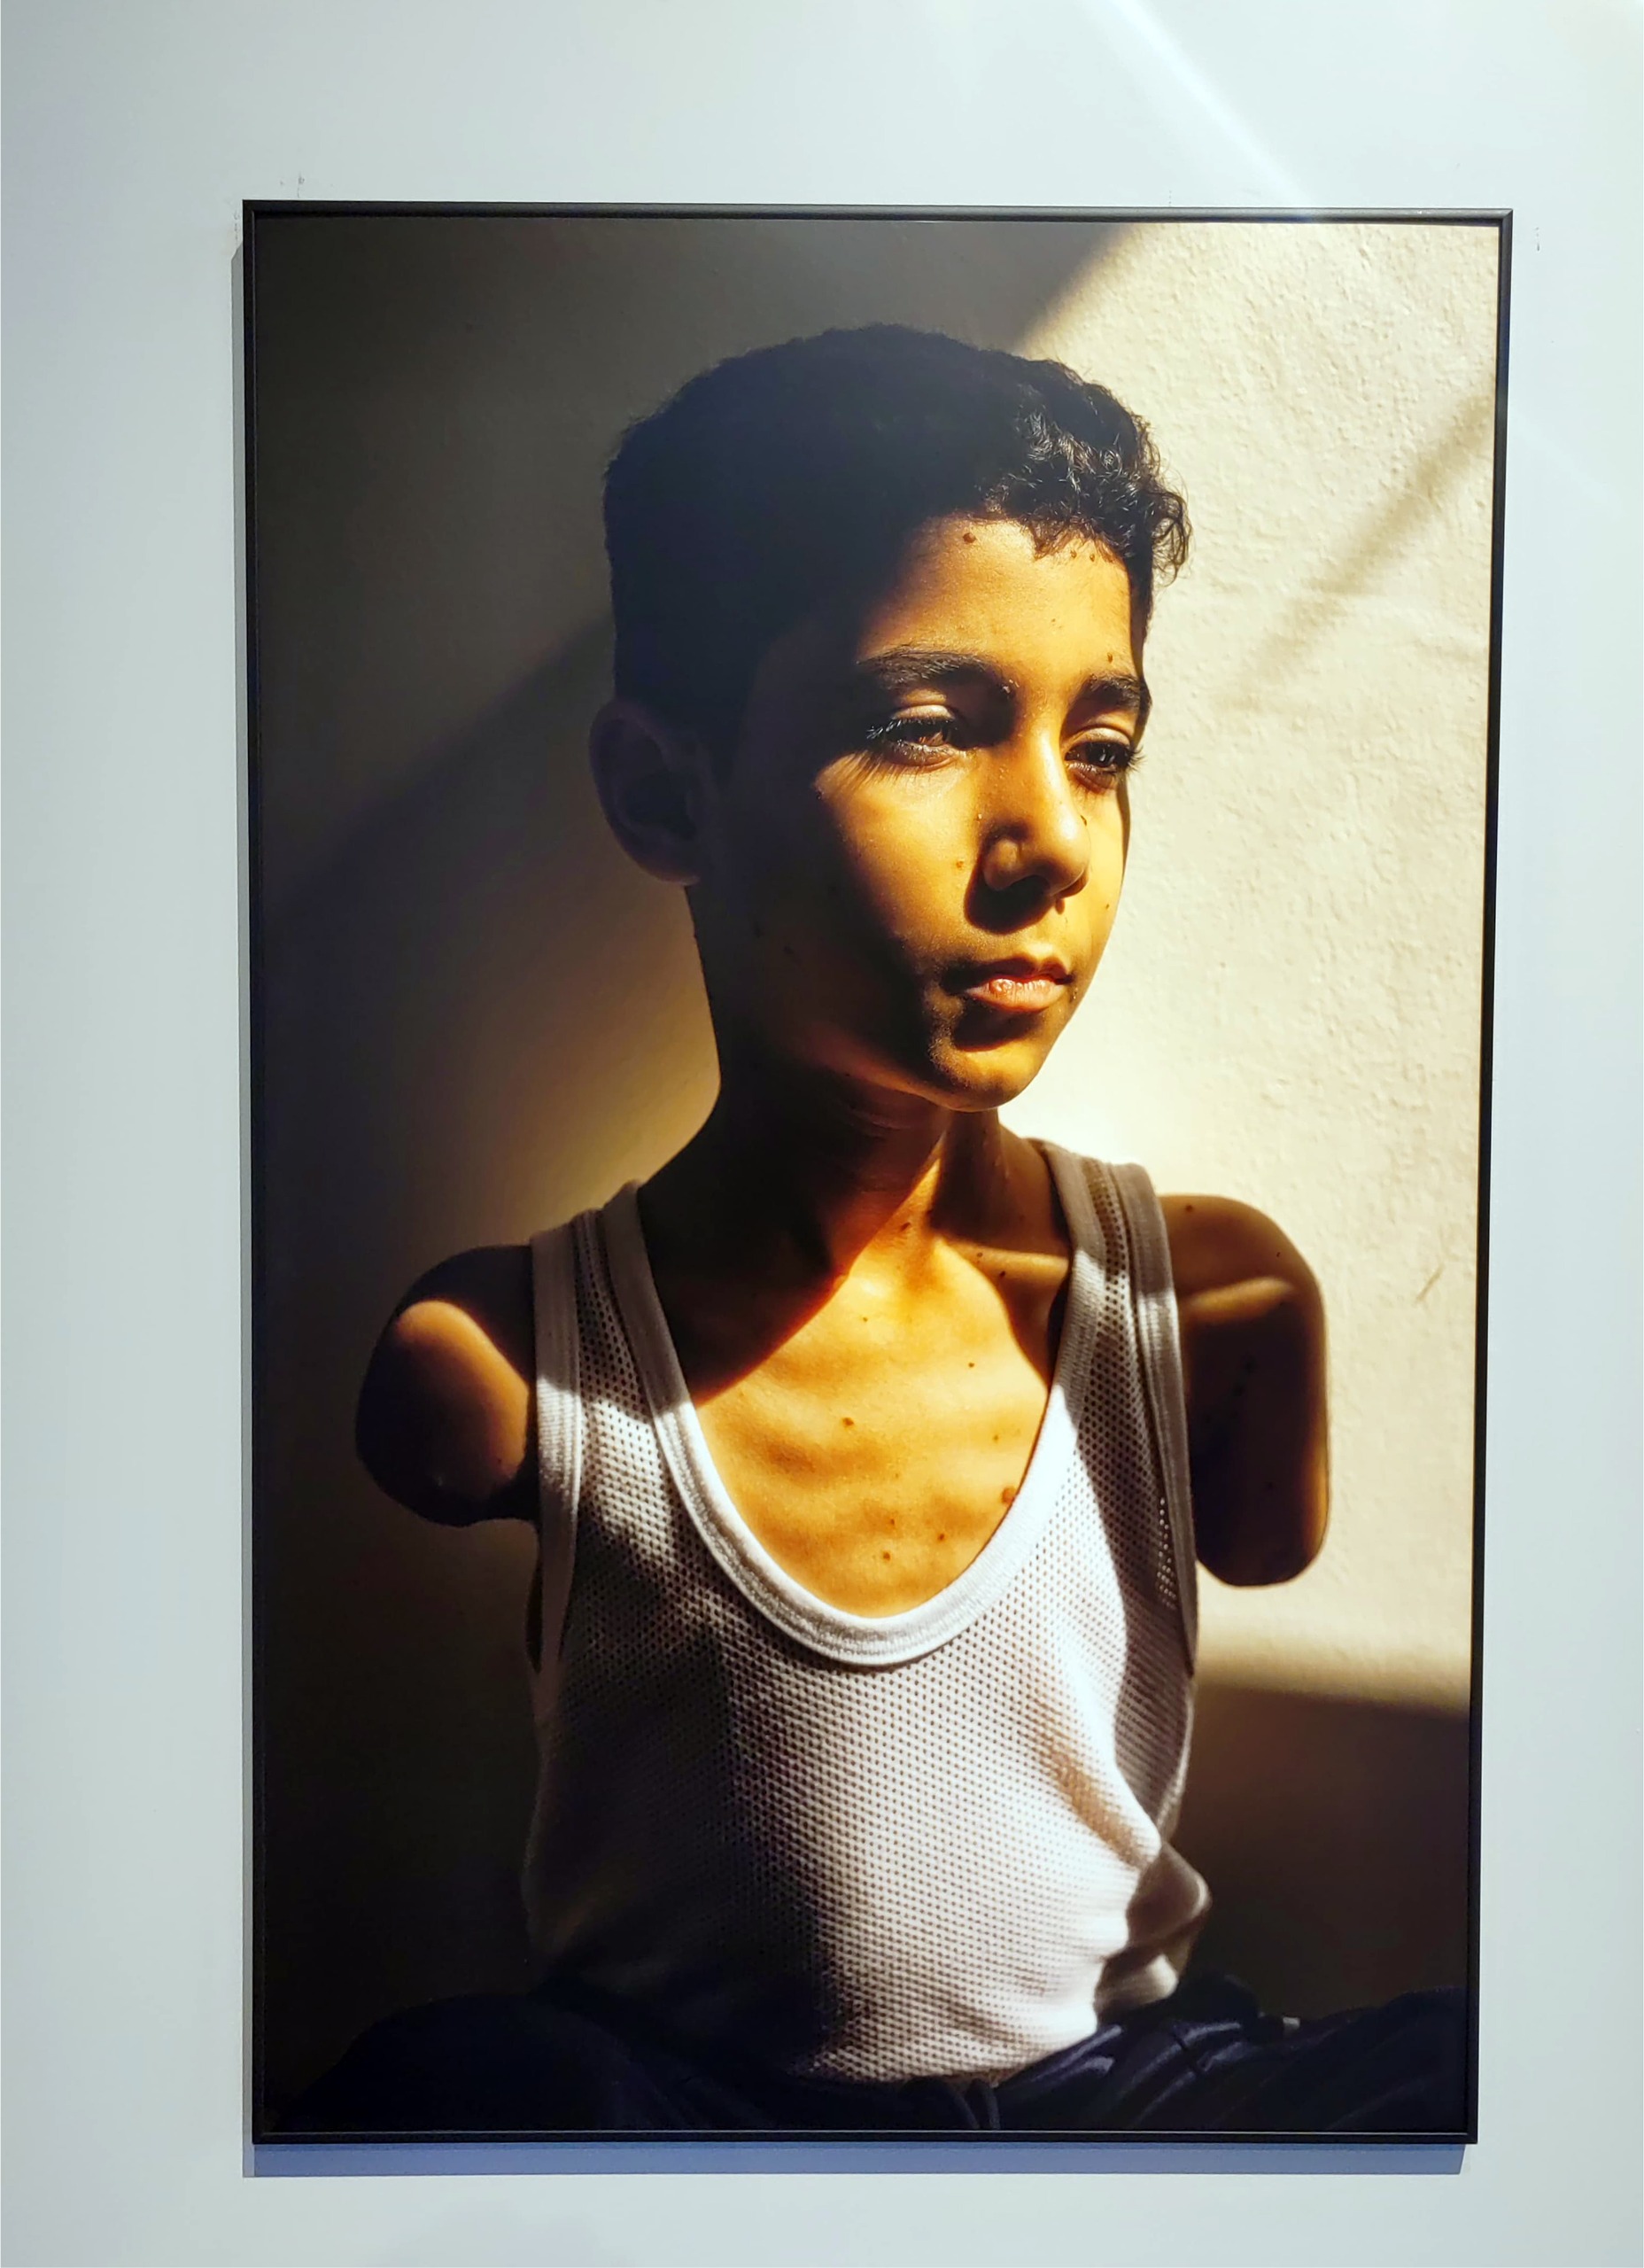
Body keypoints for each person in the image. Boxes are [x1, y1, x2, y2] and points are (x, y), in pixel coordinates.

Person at [282, 325, 1465, 2138]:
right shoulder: (512, 1361)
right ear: (664, 790)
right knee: (440, 2095)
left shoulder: (1210, 1311)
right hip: (686, 2119)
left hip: (1119, 2099)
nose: (1049, 839)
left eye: (1101, 744)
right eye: (926, 727)